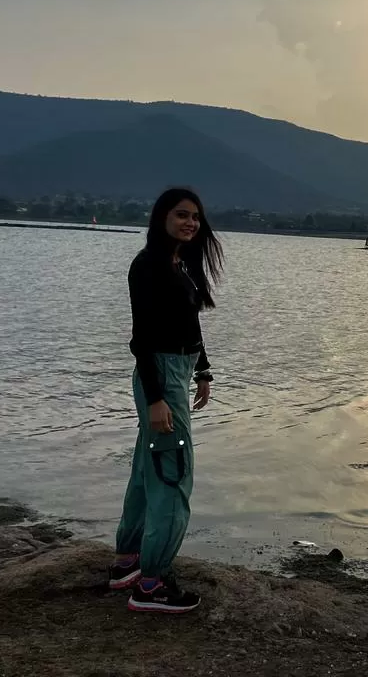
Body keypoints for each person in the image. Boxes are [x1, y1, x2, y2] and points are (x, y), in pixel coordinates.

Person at [107, 187, 223, 613]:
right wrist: (157, 400)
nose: (190, 222)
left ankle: (128, 563)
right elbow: (142, 340)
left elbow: (189, 326)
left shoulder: (180, 263)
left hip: (178, 371)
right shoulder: (149, 266)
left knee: (146, 469)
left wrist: (204, 371)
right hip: (160, 377)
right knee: (173, 476)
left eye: (195, 216)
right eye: (181, 215)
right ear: (161, 218)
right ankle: (151, 585)